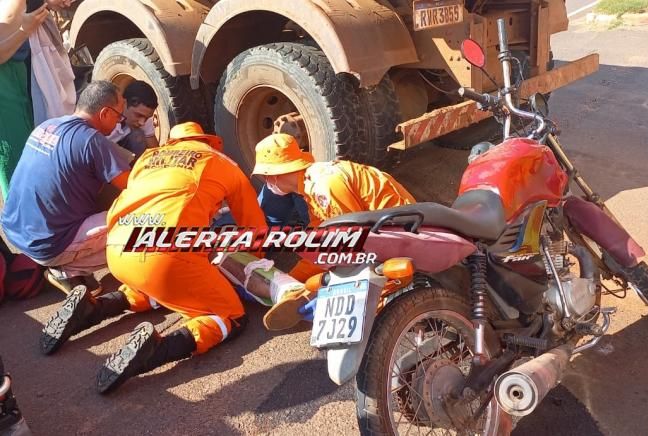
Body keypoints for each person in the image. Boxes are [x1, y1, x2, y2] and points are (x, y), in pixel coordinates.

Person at [39, 122, 267, 394]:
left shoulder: (148, 158)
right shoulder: (221, 163)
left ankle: (93, 308)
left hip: (119, 249)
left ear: (172, 142)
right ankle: (157, 349)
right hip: (167, 256)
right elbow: (253, 229)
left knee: (152, 288)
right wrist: (253, 264)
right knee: (230, 316)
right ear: (209, 142)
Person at [250, 133, 416, 330]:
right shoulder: (313, 186)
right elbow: (321, 241)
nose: (267, 181)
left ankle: (318, 303)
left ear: (273, 175)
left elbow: (353, 241)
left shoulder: (324, 185)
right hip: (386, 234)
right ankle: (308, 298)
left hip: (400, 238)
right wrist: (295, 277)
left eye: (266, 176)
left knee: (346, 291)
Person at [0, 80, 130, 293]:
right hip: (46, 245)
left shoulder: (47, 125)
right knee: (143, 225)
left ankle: (64, 259)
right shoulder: (92, 140)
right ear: (105, 113)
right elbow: (134, 188)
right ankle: (67, 269)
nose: (119, 124)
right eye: (118, 116)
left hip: (15, 231)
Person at [0, 0, 47, 200]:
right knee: (13, 154)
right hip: (4, 83)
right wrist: (24, 30)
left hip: (15, 74)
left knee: (26, 148)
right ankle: (20, 219)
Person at [107, 80, 159, 162]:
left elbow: (155, 150)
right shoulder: (107, 119)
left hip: (120, 147)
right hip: (103, 151)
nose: (142, 122)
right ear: (124, 103)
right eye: (138, 115)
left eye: (146, 118)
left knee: (138, 135)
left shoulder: (143, 115)